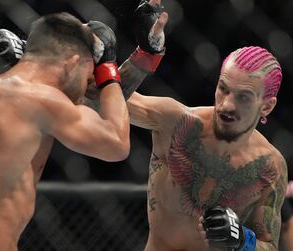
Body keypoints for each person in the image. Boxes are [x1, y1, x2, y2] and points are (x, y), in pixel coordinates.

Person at [0, 12, 130, 251]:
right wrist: (107, 68)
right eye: (89, 75)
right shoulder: (39, 99)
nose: (88, 85)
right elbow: (116, 142)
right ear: (71, 64)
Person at [114, 0, 288, 250]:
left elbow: (269, 245)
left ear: (267, 106)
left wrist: (243, 240)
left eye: (243, 97)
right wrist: (145, 55)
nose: (227, 104)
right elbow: (101, 102)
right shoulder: (175, 121)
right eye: (223, 89)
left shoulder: (270, 164)